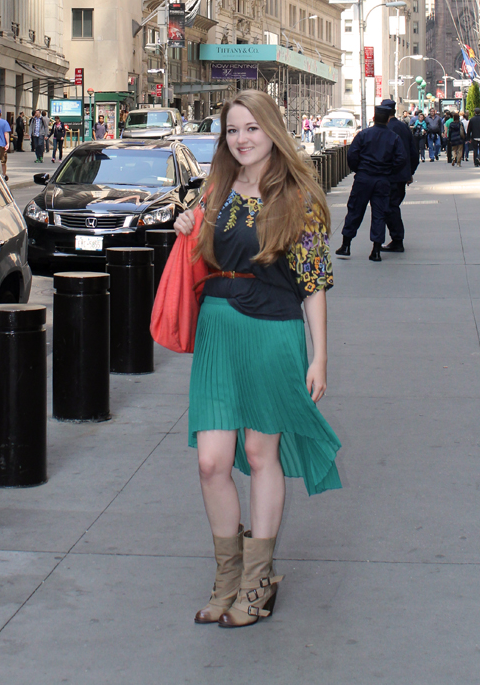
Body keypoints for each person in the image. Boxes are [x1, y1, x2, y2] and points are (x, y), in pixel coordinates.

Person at [173, 90, 341, 629]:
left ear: (272, 131)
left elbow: (313, 283)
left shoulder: (299, 197)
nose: (241, 139)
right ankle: (227, 578)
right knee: (211, 462)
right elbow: (200, 252)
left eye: (251, 128)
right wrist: (185, 228)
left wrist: (319, 357)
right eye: (232, 131)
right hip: (219, 329)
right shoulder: (215, 190)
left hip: (273, 329)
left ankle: (256, 580)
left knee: (260, 453)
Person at [336, 105, 410, 262]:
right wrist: (390, 170)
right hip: (382, 179)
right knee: (379, 214)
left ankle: (346, 245)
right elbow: (401, 158)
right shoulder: (393, 137)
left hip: (364, 177)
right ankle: (376, 250)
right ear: (387, 118)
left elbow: (352, 155)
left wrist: (359, 169)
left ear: (374, 118)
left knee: (355, 210)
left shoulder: (363, 135)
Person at [380, 99, 419, 253]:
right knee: (392, 206)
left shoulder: (386, 129)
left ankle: (397, 240)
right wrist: (410, 172)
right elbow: (413, 151)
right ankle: (396, 239)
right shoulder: (403, 127)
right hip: (402, 175)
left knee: (390, 207)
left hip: (390, 175)